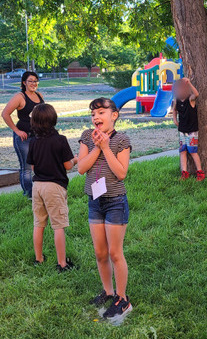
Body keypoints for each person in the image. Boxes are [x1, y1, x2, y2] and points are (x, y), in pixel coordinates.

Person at [78, 98, 133, 321]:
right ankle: (108, 291)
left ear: (114, 115)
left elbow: (121, 173)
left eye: (101, 113)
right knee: (100, 253)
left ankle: (122, 299)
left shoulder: (122, 140)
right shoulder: (86, 137)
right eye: (93, 115)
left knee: (114, 253)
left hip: (115, 202)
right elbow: (81, 167)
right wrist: (97, 147)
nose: (96, 118)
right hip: (95, 201)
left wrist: (105, 146)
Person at [26, 103, 78, 272]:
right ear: (54, 119)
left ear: (34, 122)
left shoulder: (33, 142)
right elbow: (68, 166)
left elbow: (32, 167)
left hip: (37, 186)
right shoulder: (60, 140)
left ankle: (38, 258)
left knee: (38, 223)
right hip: (54, 187)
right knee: (58, 225)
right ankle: (62, 263)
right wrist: (76, 159)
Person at [1, 71, 44, 198]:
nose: (33, 83)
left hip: (38, 136)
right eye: (30, 81)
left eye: (35, 81)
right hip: (23, 138)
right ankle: (29, 194)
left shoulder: (39, 95)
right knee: (26, 167)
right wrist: (17, 131)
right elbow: (5, 114)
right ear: (24, 83)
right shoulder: (20, 97)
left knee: (39, 165)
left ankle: (39, 192)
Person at [171, 77, 205, 181]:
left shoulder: (190, 99)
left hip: (192, 131)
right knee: (182, 151)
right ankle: (184, 172)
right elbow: (174, 110)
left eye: (182, 89)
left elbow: (196, 94)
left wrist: (189, 83)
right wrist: (175, 120)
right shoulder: (176, 100)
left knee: (193, 151)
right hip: (182, 130)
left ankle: (200, 172)